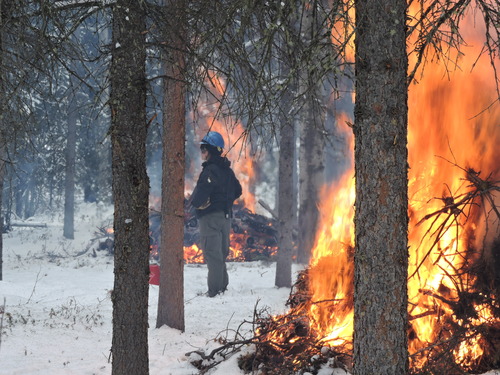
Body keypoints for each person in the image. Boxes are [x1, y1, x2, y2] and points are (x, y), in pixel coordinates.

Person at [191, 131, 242, 297]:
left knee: (213, 255)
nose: (202, 153)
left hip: (210, 218)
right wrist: (224, 202)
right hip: (226, 218)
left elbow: (199, 197)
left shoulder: (210, 171)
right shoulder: (227, 170)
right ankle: (222, 288)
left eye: (204, 149)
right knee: (221, 253)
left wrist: (196, 205)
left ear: (211, 150)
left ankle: (214, 291)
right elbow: (238, 190)